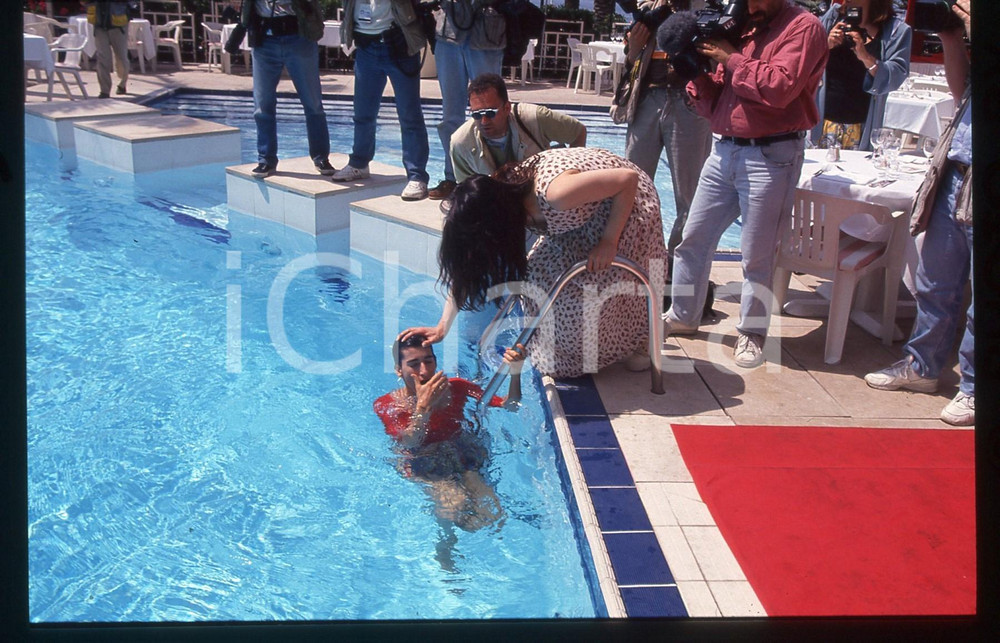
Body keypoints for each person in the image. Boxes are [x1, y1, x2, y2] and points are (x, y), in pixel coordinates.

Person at [661, 0, 828, 368]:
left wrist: (731, 57)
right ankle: (683, 315)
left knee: (757, 254)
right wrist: (696, 75)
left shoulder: (804, 27)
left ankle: (752, 332)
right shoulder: (744, 26)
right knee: (693, 239)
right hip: (724, 150)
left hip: (772, 154)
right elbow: (718, 97)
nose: (750, 6)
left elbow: (780, 87)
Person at [404, 147, 667, 377]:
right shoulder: (495, 196)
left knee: (588, 296)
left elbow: (627, 180)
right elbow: (469, 268)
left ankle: (646, 335)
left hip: (626, 205)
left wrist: (609, 241)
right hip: (583, 216)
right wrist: (442, 326)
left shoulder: (556, 194)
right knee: (537, 279)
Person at [864, 0, 973, 426]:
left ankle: (974, 388)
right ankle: (923, 366)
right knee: (934, 284)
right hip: (955, 171)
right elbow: (962, 93)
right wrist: (950, 34)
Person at [374, 333, 525, 533]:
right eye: (414, 364)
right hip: (423, 460)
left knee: (492, 514)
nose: (424, 371)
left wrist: (516, 372)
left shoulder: (457, 387)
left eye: (428, 361)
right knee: (454, 508)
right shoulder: (387, 405)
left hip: (462, 452)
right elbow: (409, 443)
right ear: (398, 370)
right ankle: (445, 542)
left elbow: (511, 405)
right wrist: (422, 408)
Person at [619, 1, 712, 282]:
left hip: (688, 101)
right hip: (647, 97)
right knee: (631, 188)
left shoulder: (703, 6)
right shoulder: (649, 7)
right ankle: (635, 262)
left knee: (690, 195)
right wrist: (634, 46)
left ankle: (676, 271)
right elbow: (631, 59)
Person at [333, 0, 431, 201]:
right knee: (363, 113)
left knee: (409, 115)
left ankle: (417, 175)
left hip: (397, 42)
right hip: (365, 45)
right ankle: (359, 163)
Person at [240, 0, 335, 178]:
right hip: (264, 37)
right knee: (262, 105)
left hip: (299, 35)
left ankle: (321, 157)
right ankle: (266, 159)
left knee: (313, 103)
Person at [426, 0, 508, 201]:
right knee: (450, 116)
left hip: (487, 31)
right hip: (449, 34)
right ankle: (451, 178)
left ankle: (496, 180)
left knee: (491, 112)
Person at [450, 73, 587, 183]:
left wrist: (572, 173)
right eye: (477, 115)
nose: (484, 121)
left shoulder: (536, 119)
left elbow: (578, 132)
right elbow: (466, 190)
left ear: (507, 108)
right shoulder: (461, 143)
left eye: (490, 113)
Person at [811, 0, 911, 150]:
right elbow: (806, 59)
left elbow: (897, 75)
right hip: (822, 122)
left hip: (863, 125)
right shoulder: (833, 18)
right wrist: (826, 45)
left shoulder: (896, 30)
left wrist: (866, 58)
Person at [86, 1, 130, 99]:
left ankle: (122, 84)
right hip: (99, 25)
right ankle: (104, 91)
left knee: (121, 57)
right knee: (103, 58)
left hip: (118, 24)